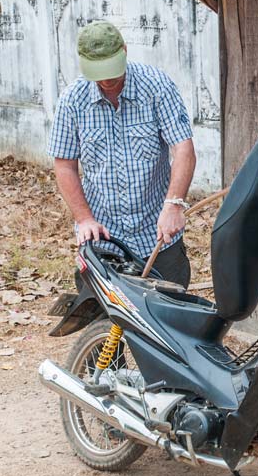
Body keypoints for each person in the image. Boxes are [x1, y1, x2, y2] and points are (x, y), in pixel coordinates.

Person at [48, 20, 197, 288]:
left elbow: (183, 149)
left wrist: (174, 205)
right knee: (105, 326)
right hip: (104, 238)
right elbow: (64, 165)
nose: (106, 80)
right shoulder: (72, 100)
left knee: (168, 320)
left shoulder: (156, 86)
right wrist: (84, 219)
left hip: (158, 236)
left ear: (125, 51)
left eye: (112, 71)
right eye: (99, 73)